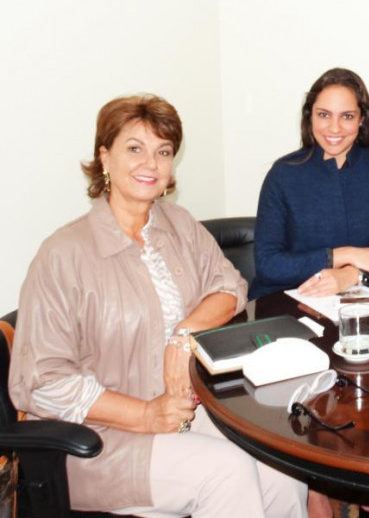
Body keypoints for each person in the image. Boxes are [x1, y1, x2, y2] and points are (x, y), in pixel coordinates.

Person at [9, 95, 307, 517]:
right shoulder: (64, 254)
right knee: (227, 472)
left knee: (280, 462)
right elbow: (41, 381)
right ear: (104, 157)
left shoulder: (178, 224)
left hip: (184, 410)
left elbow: (230, 286)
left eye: (163, 152)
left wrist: (183, 336)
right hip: (99, 439)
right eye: (135, 148)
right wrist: (146, 414)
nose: (150, 163)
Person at [251, 67, 369, 300]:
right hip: (288, 302)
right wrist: (342, 255)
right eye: (324, 114)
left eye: (347, 116)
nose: (334, 128)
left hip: (362, 301)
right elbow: (268, 264)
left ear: (362, 119)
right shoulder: (283, 174)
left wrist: (353, 275)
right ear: (310, 116)